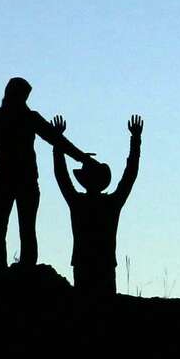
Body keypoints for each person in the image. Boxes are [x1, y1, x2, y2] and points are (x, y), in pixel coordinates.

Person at [0, 77, 90, 272]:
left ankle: (23, 266)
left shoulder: (16, 118)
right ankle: (4, 268)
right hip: (9, 181)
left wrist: (82, 157)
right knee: (4, 229)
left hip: (19, 182)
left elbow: (56, 139)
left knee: (19, 228)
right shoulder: (1, 119)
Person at [51, 115, 143, 295]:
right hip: (104, 264)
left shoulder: (78, 202)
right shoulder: (111, 204)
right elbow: (130, 175)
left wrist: (58, 142)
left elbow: (61, 175)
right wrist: (136, 140)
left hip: (84, 264)